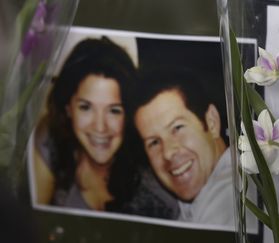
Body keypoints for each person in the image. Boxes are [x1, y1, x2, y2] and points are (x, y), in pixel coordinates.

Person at [33, 37, 178, 218]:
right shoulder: (51, 139)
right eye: (85, 107)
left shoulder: (156, 199)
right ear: (68, 108)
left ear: (129, 116)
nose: (100, 127)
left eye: (114, 111)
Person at [130, 68, 238, 225]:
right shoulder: (196, 196)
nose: (167, 153)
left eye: (177, 128)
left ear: (212, 122)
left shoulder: (231, 199)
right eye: (153, 142)